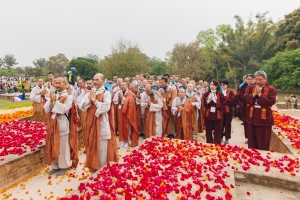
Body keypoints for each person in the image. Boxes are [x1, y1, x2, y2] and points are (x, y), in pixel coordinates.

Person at [78, 73, 118, 172]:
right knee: (92, 146)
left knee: (102, 149)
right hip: (90, 124)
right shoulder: (90, 92)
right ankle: (94, 168)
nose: (95, 82)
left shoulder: (106, 93)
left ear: (103, 81)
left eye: (97, 80)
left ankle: (102, 170)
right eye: (94, 80)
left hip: (102, 124)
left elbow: (105, 108)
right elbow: (81, 106)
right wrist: (90, 99)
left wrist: (94, 100)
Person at [44, 77, 78, 176]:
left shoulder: (69, 97)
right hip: (53, 123)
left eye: (59, 83)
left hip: (62, 123)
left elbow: (63, 110)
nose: (57, 85)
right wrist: (51, 100)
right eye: (56, 83)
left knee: (63, 146)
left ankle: (64, 165)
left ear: (65, 84)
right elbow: (46, 109)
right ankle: (55, 166)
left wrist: (56, 101)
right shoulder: (54, 95)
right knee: (52, 144)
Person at [244, 71, 277, 150]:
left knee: (263, 142)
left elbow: (270, 102)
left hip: (264, 120)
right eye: (256, 79)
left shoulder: (271, 89)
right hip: (252, 118)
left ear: (266, 79)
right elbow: (244, 99)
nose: (258, 82)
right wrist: (254, 94)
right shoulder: (251, 88)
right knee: (252, 142)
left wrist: (260, 95)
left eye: (260, 79)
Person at [113, 82, 139, 147]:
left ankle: (127, 140)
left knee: (127, 126)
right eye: (121, 85)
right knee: (121, 126)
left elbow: (130, 102)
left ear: (127, 85)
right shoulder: (119, 92)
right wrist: (119, 99)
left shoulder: (130, 93)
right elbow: (115, 101)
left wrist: (122, 98)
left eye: (123, 85)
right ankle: (124, 140)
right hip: (120, 111)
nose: (122, 86)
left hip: (127, 111)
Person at [202, 80, 225, 144]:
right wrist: (208, 101)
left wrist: (215, 101)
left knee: (217, 131)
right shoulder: (206, 94)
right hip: (209, 114)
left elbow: (223, 105)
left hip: (217, 115)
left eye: (213, 85)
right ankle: (209, 143)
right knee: (208, 131)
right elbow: (204, 103)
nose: (212, 86)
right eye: (211, 85)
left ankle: (217, 144)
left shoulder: (220, 94)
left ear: (217, 86)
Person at [237, 74, 255, 144]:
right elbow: (240, 95)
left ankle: (252, 138)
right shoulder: (243, 86)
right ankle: (248, 137)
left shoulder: (256, 86)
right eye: (248, 79)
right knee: (246, 123)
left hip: (252, 107)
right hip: (245, 106)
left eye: (251, 79)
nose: (249, 80)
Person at [220, 80, 236, 144]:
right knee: (220, 125)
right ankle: (220, 137)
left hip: (228, 111)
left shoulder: (231, 92)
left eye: (223, 85)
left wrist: (223, 100)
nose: (222, 86)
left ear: (227, 85)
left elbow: (232, 100)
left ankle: (227, 138)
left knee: (227, 125)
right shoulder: (219, 92)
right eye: (221, 85)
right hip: (220, 111)